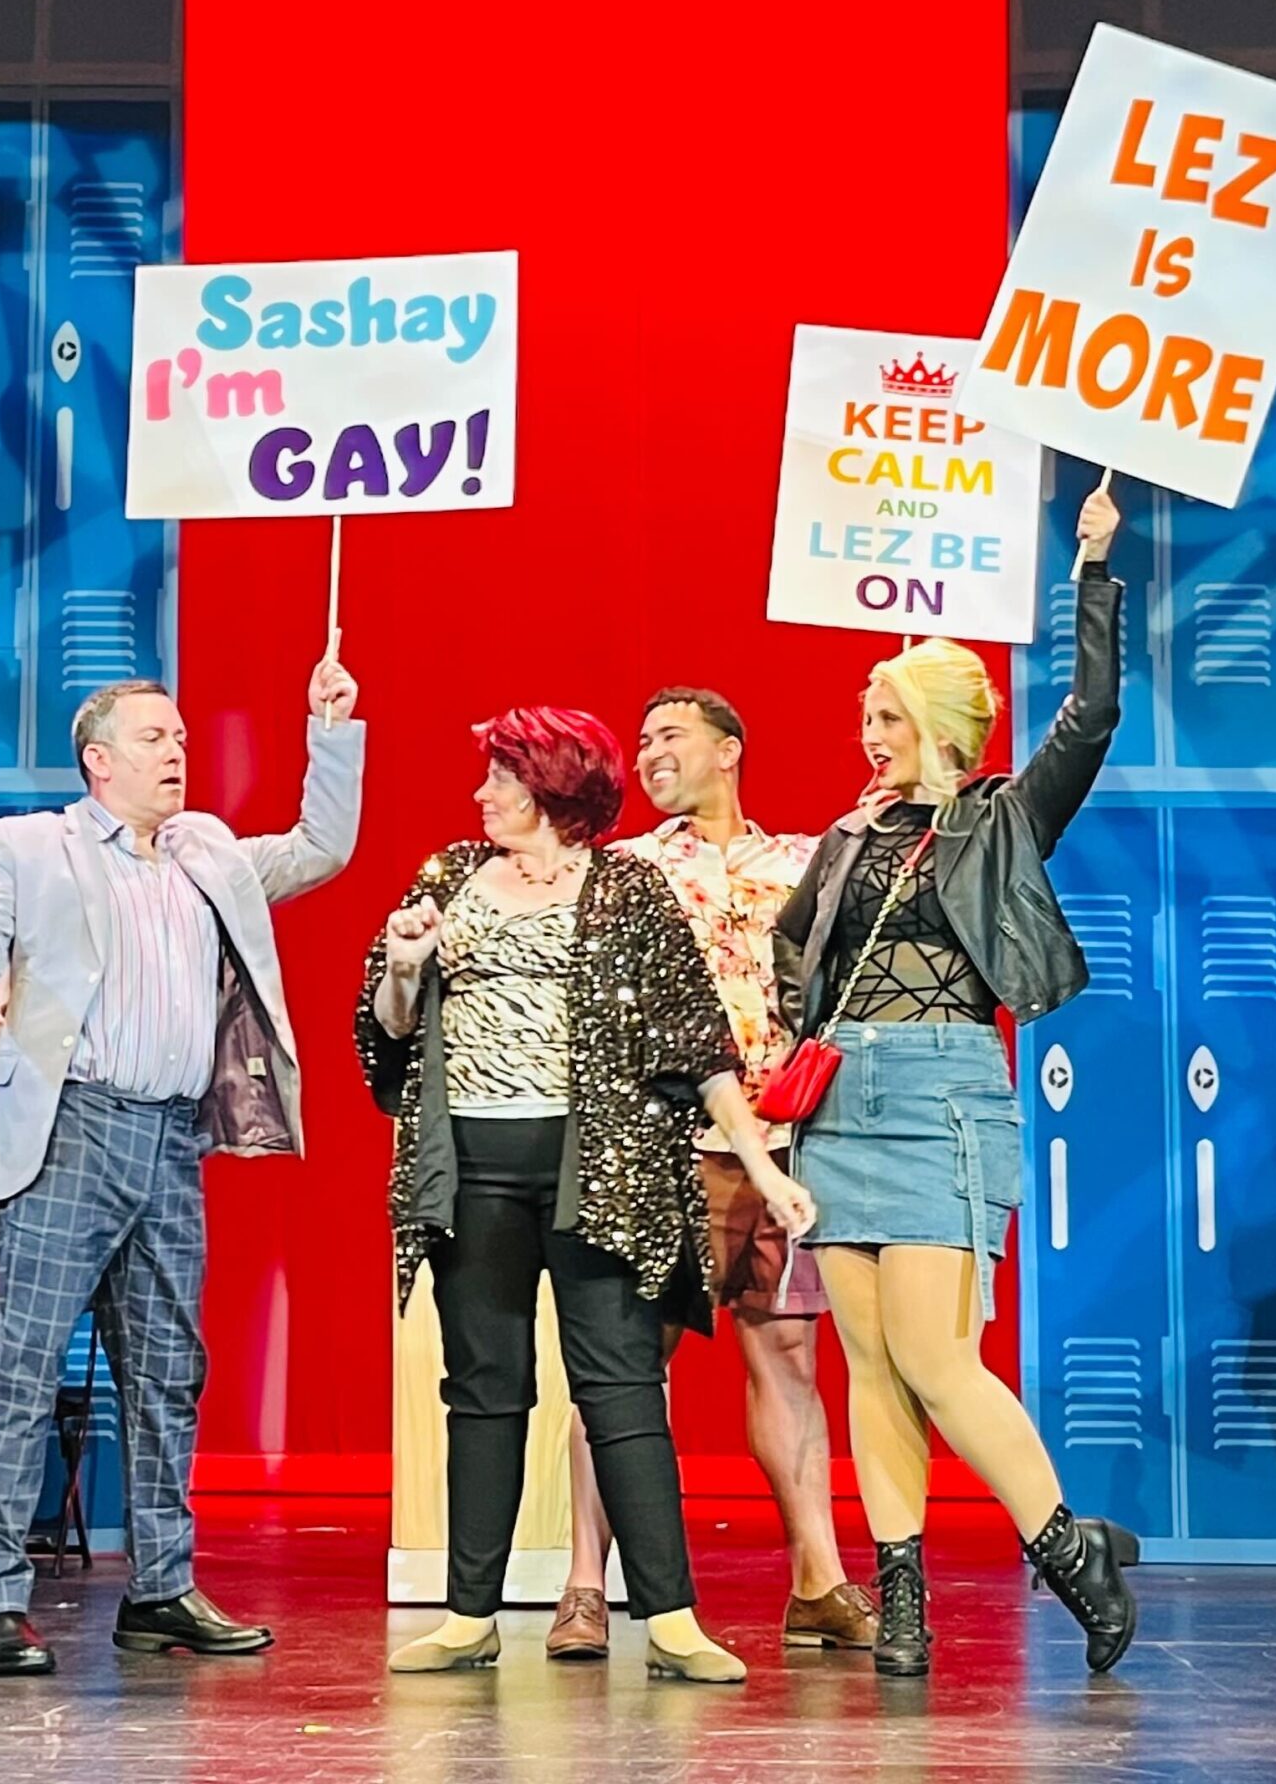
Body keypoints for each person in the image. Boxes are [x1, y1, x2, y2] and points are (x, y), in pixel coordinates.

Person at [358, 706, 815, 1683]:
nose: (483, 794)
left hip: (597, 1171)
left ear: (553, 788)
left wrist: (766, 1168)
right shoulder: (445, 878)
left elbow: (699, 1046)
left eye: (502, 778)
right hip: (467, 1172)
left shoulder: (626, 887)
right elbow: (389, 1029)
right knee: (483, 1389)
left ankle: (672, 1619)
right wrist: (403, 968)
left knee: (619, 1386)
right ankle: (468, 1613)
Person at [0, 661, 363, 1677]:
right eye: (155, 738)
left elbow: (321, 849)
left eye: (179, 735)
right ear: (99, 761)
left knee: (169, 1372)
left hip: (171, 1140)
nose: (178, 751)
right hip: (70, 1132)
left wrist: (329, 733)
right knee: (25, 1368)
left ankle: (161, 1587)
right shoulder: (33, 846)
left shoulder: (204, 850)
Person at [770, 482, 1136, 1679]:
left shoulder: (999, 820)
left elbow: (1088, 716)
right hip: (843, 1106)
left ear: (932, 720)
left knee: (936, 1357)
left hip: (941, 1100)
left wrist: (1090, 574)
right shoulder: (845, 833)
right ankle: (906, 1603)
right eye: (864, 714)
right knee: (868, 1360)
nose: (867, 734)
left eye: (883, 714)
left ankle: (1065, 1552)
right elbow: (794, 947)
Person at [543, 688, 874, 1661]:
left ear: (727, 749)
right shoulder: (623, 868)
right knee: (618, 1372)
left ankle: (818, 1577)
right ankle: (581, 1589)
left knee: (787, 1357)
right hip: (655, 1148)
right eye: (639, 740)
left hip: (775, 1149)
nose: (648, 753)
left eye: (668, 736)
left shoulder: (804, 860)